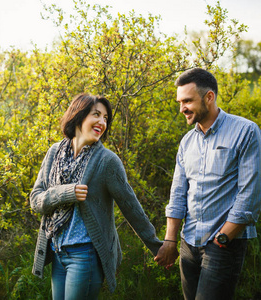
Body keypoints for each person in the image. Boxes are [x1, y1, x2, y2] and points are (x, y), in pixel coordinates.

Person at [30, 93, 162, 299]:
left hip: (85, 256)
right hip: (57, 252)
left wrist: (156, 246)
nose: (102, 122)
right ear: (78, 116)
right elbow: (36, 200)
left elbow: (131, 206)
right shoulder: (55, 152)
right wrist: (66, 193)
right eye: (96, 115)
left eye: (106, 118)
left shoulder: (107, 161)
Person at [154, 68, 261, 300]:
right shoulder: (187, 142)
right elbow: (177, 194)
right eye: (179, 101)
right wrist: (170, 240)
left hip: (223, 242)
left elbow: (250, 195)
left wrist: (223, 238)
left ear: (209, 97)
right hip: (188, 242)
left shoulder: (245, 131)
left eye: (187, 100)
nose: (181, 108)